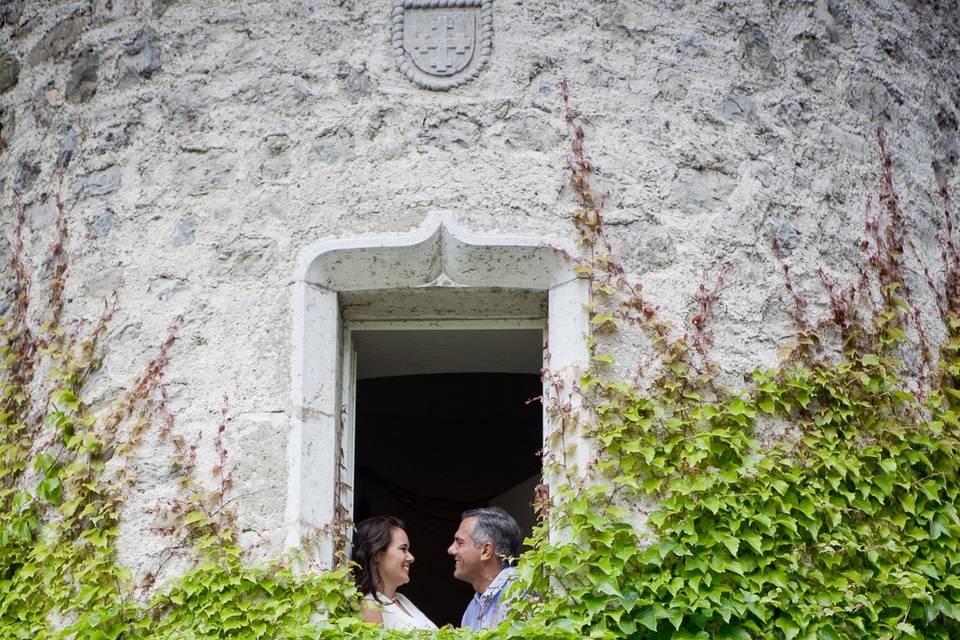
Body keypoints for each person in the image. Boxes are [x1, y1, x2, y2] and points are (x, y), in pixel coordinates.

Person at [351, 515, 438, 630]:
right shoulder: (369, 607)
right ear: (377, 554)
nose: (411, 558)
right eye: (403, 549)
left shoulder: (401, 599)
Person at [447, 507, 522, 630]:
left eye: (460, 543)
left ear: (486, 551)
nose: (451, 550)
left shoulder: (521, 592)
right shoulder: (472, 609)